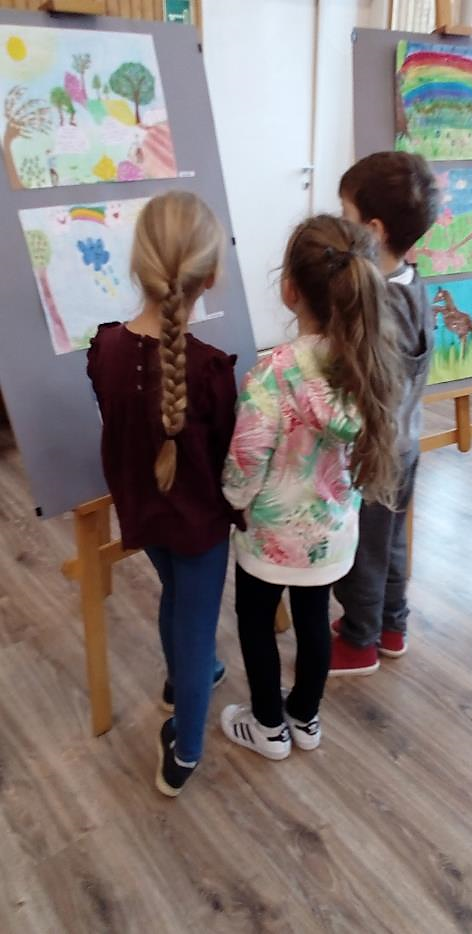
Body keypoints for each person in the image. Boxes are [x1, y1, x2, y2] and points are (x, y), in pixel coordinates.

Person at [220, 215, 403, 759]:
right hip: (330, 538)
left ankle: (268, 726)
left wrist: (233, 502)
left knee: (256, 623)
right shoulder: (369, 368)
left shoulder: (272, 374)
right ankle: (305, 716)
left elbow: (246, 460)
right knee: (314, 622)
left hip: (269, 539)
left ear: (289, 290)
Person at [87, 191, 238, 796]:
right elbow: (228, 457)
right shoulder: (210, 369)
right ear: (211, 275)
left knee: (175, 593)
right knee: (195, 621)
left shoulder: (105, 349)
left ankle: (182, 681)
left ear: (139, 265)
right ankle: (186, 751)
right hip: (199, 525)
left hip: (143, 513)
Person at [329, 151, 439, 676]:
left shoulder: (381, 305)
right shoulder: (413, 283)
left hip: (375, 453)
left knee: (367, 551)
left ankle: (360, 641)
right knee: (391, 543)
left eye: (345, 215)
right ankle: (391, 626)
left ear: (372, 230)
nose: (340, 224)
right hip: (405, 444)